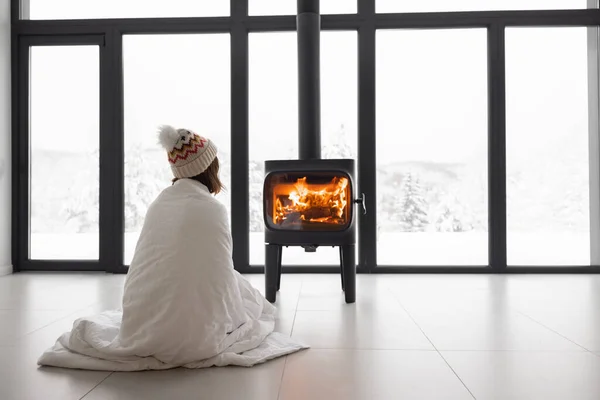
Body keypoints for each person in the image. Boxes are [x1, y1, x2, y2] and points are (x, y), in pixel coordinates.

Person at [38, 125, 307, 371]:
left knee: (236, 286)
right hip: (199, 335)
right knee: (246, 293)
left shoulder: (159, 204)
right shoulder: (212, 209)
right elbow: (220, 277)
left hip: (139, 324)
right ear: (207, 168)